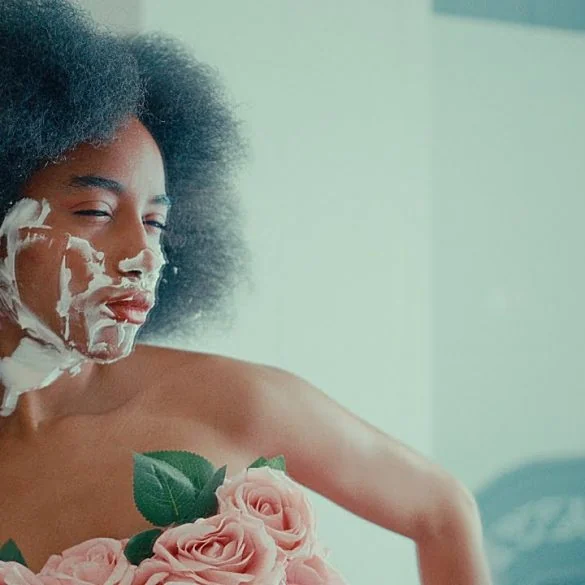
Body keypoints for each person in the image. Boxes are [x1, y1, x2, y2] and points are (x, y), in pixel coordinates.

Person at [0, 0, 493, 582]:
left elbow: (443, 511)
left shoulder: (233, 402)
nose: (144, 254)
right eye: (96, 211)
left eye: (156, 222)